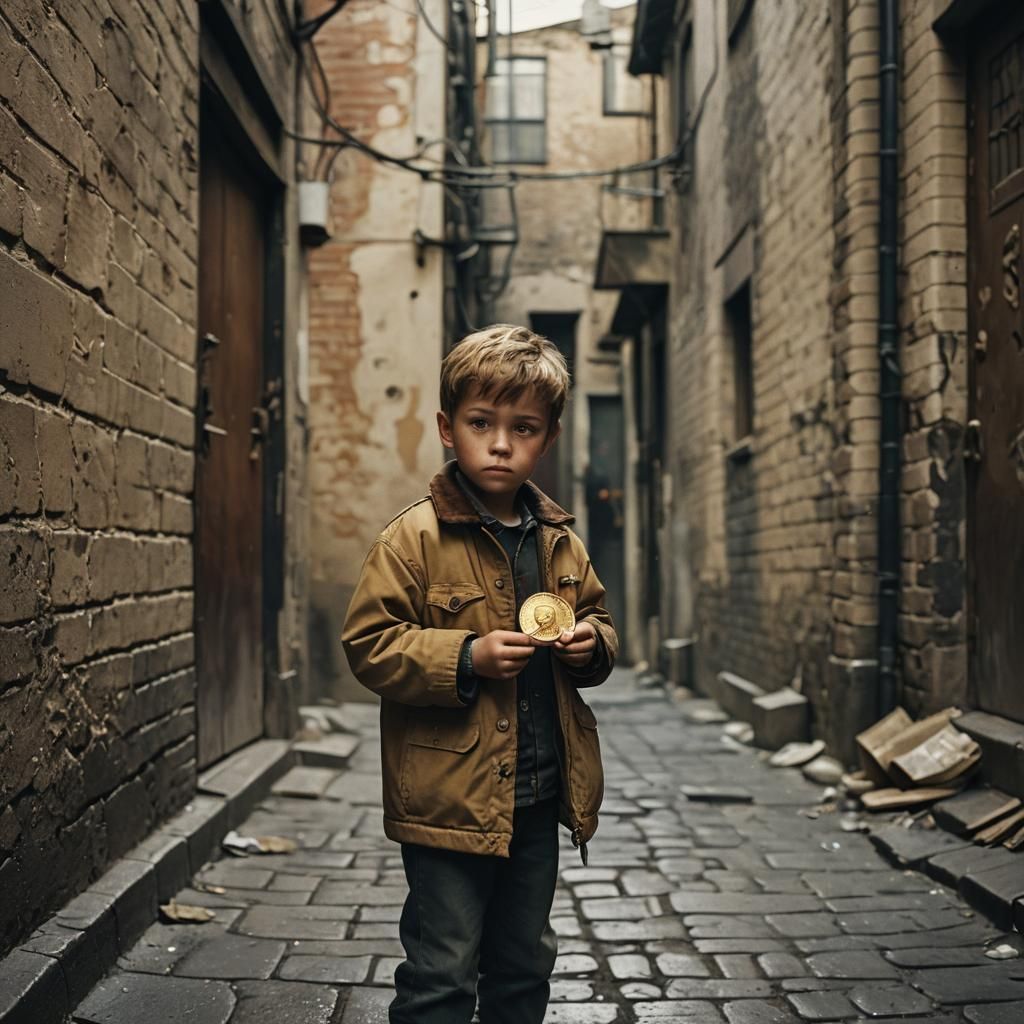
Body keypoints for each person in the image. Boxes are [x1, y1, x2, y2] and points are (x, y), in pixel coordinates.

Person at [342, 323, 618, 1024]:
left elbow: (600, 620)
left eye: (522, 427)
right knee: (442, 967)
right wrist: (467, 656)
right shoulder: (412, 539)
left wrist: (592, 647)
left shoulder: (562, 543)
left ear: (548, 437)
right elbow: (370, 643)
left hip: (538, 793)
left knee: (525, 964)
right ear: (446, 427)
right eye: (480, 423)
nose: (500, 443)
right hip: (446, 802)